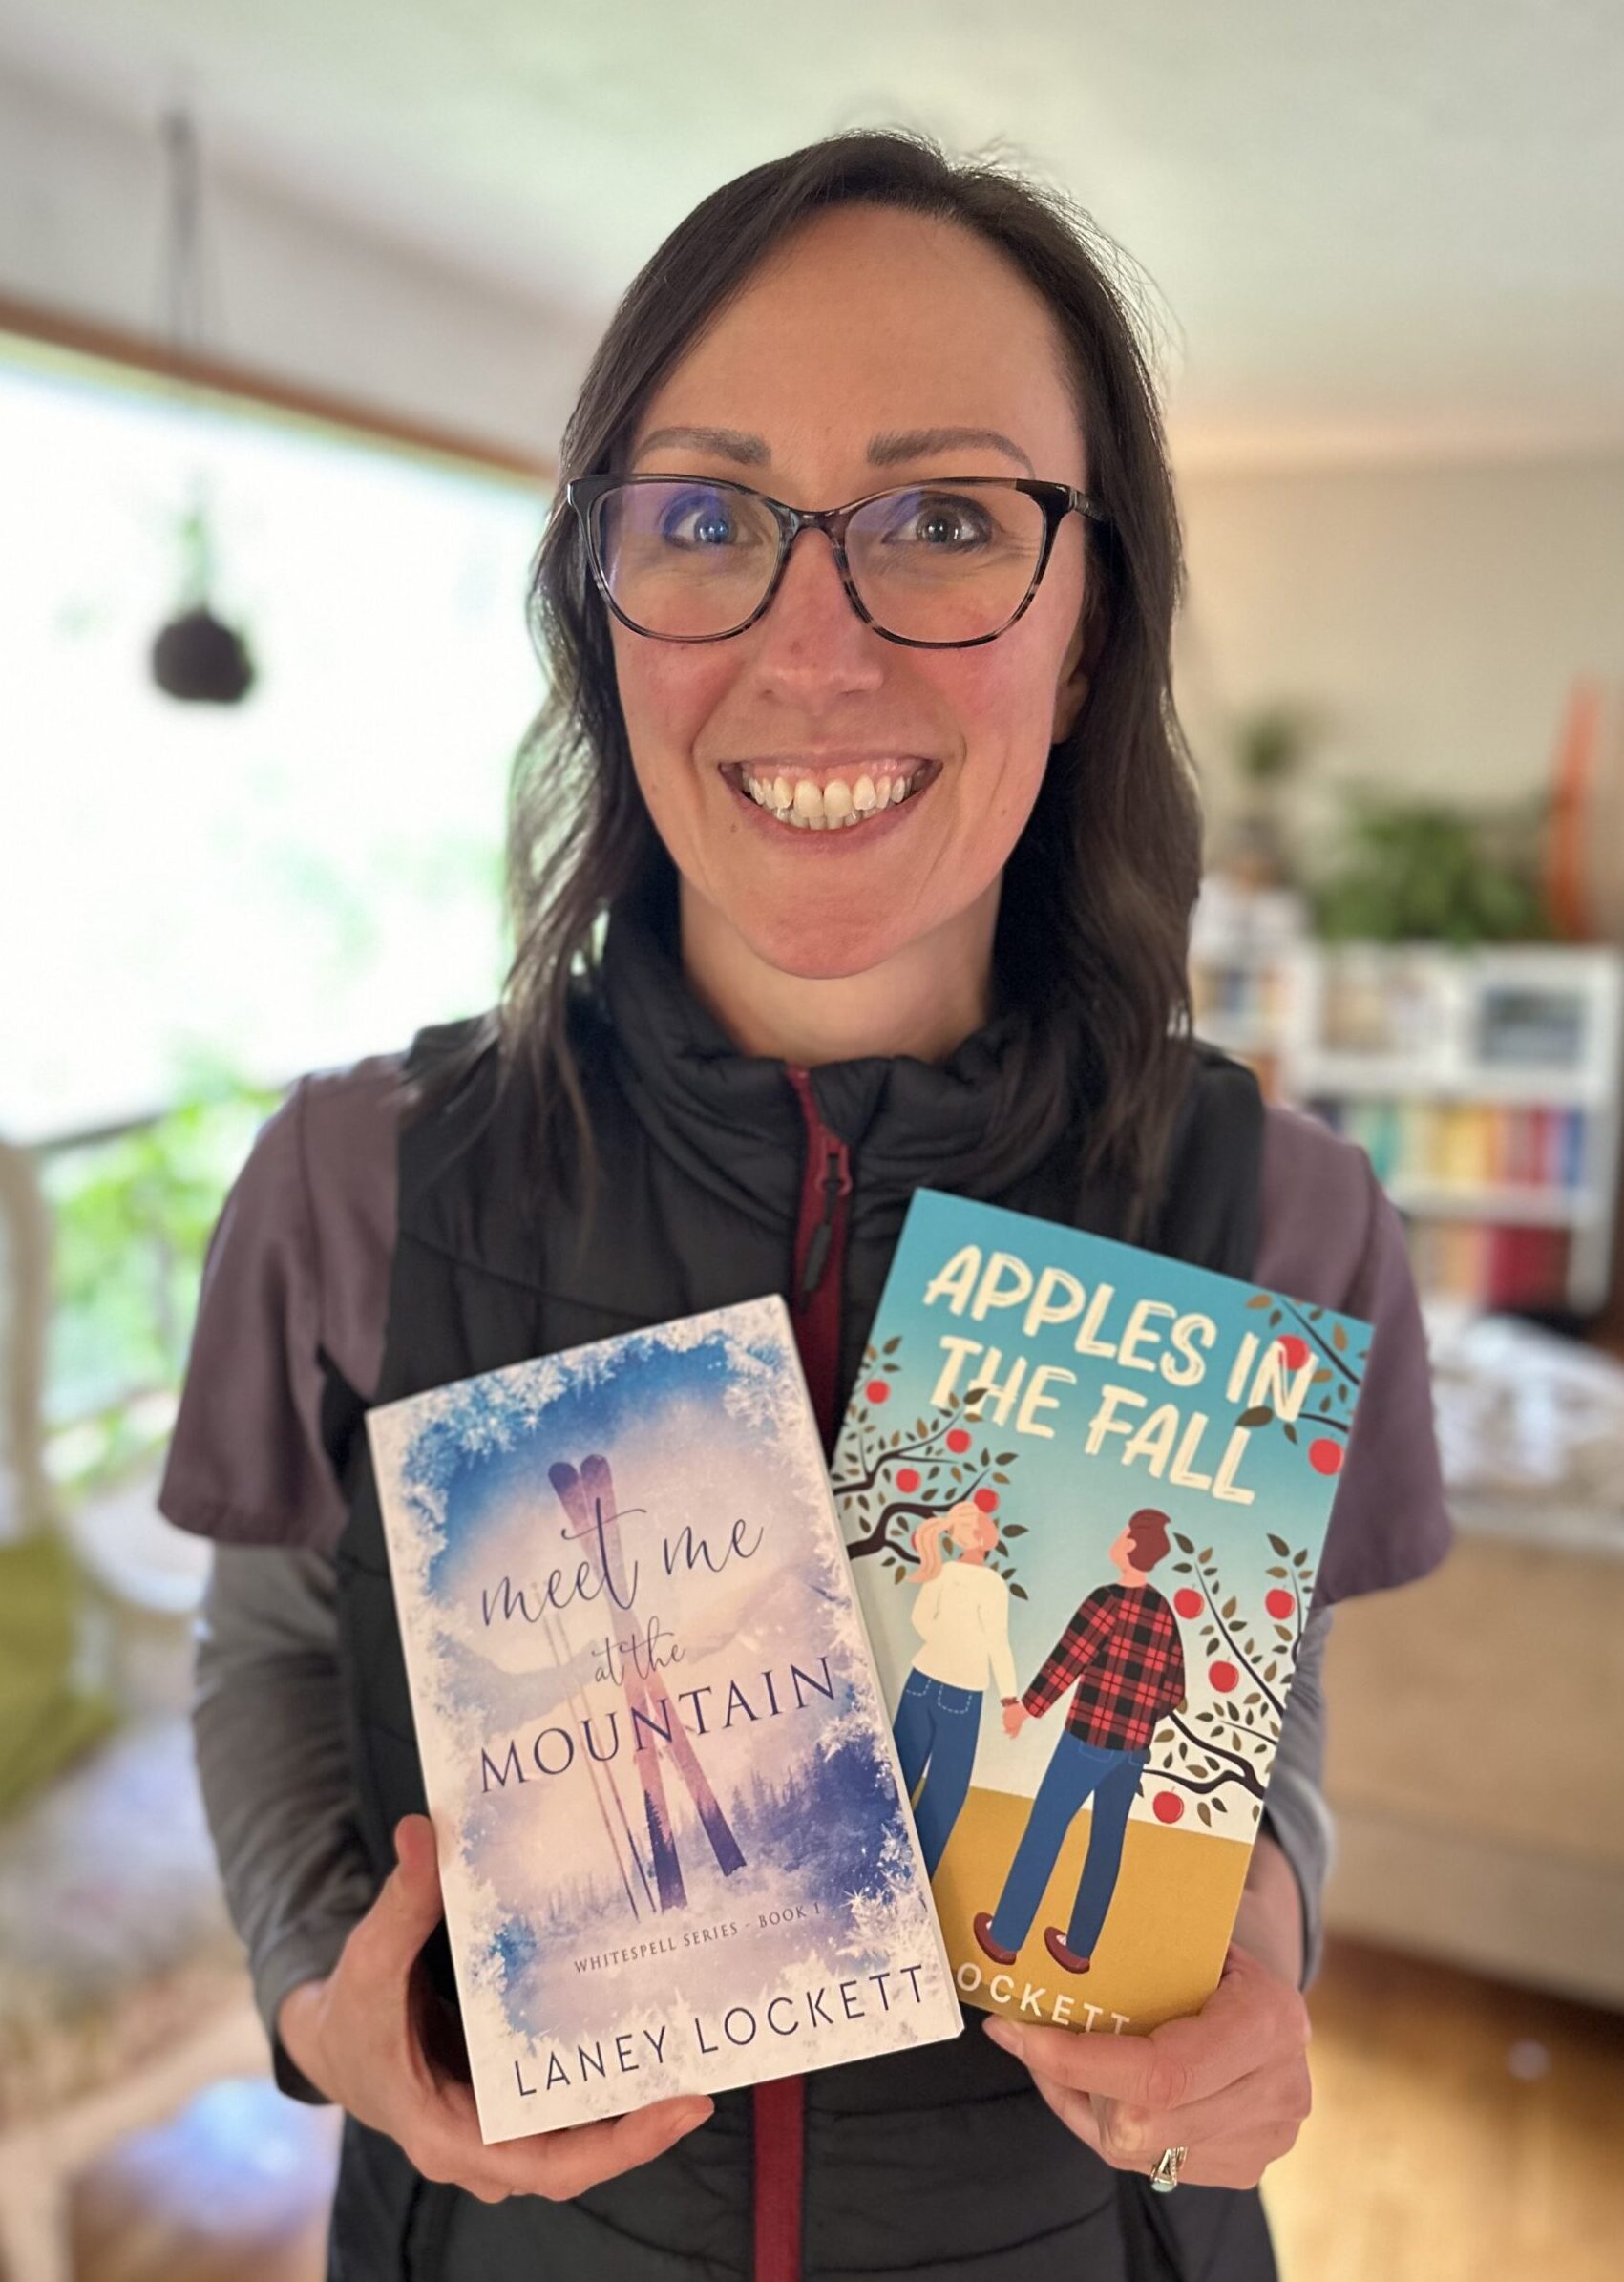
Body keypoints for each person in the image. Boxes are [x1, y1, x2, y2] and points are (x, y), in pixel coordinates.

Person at [158, 126, 1454, 2282]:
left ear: (1092, 600)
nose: (815, 648)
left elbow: (1269, 1685)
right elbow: (274, 1644)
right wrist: (319, 1984)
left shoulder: (1277, 1203)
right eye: (705, 517)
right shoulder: (355, 1178)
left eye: (946, 518)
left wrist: (1271, 1934)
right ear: (599, 590)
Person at [973, 1508, 1188, 1976]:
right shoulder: (1163, 1612)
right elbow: (1174, 1691)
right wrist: (1138, 1718)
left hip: (1088, 1740)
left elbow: (1066, 1662)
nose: (1116, 1538)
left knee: (1046, 1828)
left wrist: (1025, 1709)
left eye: (1122, 1532)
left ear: (1131, 1547)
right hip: (1133, 1751)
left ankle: (1006, 1936)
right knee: (1107, 1842)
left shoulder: (1107, 1601)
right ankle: (1079, 1949)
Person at [892, 1498, 1017, 1874]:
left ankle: (873, 1860)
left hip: (922, 1679)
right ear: (982, 1539)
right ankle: (912, 1880)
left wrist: (942, 1644)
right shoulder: (992, 1583)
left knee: (898, 1775)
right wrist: (1009, 1698)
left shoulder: (941, 1572)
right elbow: (998, 1641)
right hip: (961, 1692)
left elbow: (919, 1619)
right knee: (945, 1794)